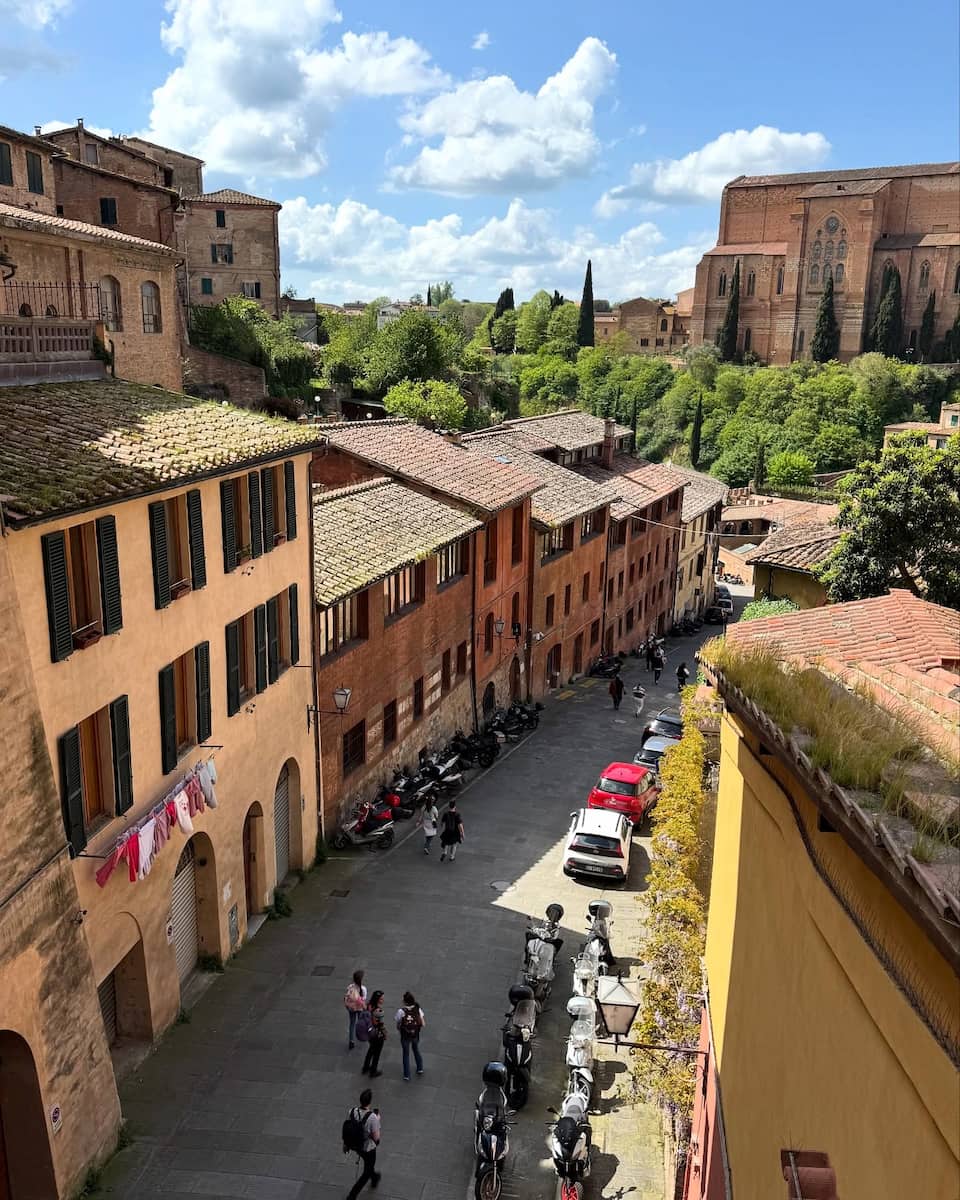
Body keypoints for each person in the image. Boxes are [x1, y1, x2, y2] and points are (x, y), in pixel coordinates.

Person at [345, 1088, 381, 1198]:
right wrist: (378, 1120)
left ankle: (375, 1177)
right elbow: (377, 1138)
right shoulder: (372, 1117)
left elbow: (348, 1128)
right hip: (368, 1148)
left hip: (355, 1145)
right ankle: (352, 1196)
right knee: (366, 1173)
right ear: (369, 1102)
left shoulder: (352, 1111)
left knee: (369, 1166)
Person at [395, 991, 425, 1080]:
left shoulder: (401, 1011)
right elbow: (423, 1023)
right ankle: (420, 1068)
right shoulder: (417, 1009)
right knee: (416, 1050)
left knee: (406, 1054)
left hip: (405, 1035)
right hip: (415, 1034)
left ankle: (407, 1075)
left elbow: (397, 1022)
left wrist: (400, 1028)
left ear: (405, 1001)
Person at [361, 990, 386, 1078]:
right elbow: (380, 1024)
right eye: (381, 999)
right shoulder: (379, 1011)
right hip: (377, 1034)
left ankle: (365, 1067)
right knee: (377, 1053)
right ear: (377, 999)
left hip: (368, 1032)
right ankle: (373, 1071)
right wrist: (385, 1034)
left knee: (371, 1050)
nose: (383, 1000)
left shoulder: (369, 1005)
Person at [344, 969, 367, 1050]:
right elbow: (364, 999)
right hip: (360, 1008)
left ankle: (351, 1040)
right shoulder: (363, 989)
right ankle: (361, 1035)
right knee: (360, 1021)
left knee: (352, 1023)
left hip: (351, 1008)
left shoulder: (350, 987)